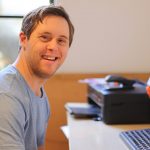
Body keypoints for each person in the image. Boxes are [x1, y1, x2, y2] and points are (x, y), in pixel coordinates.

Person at [0, 5, 74, 150]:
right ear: (23, 39)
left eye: (61, 41)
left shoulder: (40, 95)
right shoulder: (7, 96)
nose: (53, 46)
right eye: (45, 37)